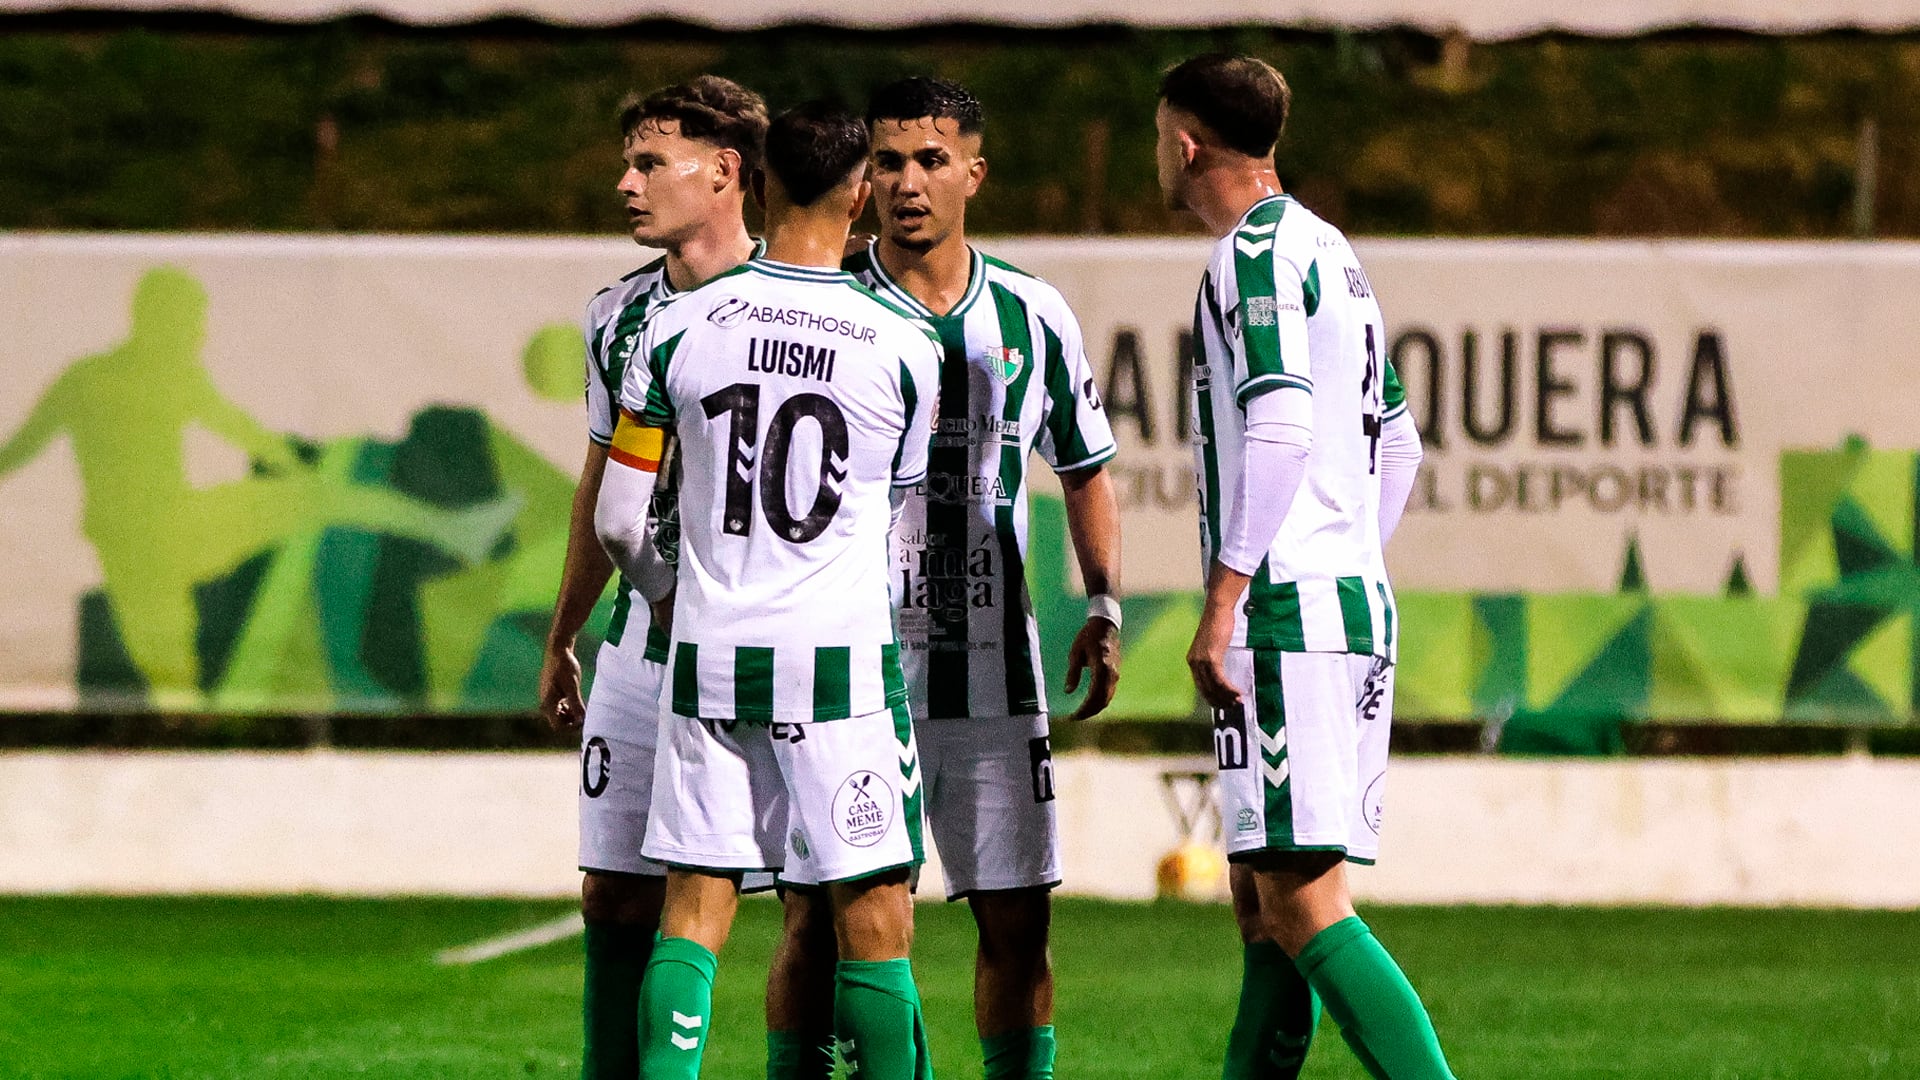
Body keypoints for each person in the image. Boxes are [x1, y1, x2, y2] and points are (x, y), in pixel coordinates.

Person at [766, 76, 1124, 1080]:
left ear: (975, 171)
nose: (908, 183)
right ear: (862, 177)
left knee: (1017, 924)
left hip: (991, 671)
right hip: (847, 666)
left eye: (931, 160)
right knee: (814, 920)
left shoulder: (1031, 311)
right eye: (887, 162)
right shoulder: (824, 307)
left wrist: (1102, 601)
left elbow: (1088, 468)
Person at [594, 100, 943, 1080]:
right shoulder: (906, 343)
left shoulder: (674, 326)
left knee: (693, 915)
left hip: (709, 656)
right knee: (873, 919)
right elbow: (904, 536)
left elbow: (619, 521)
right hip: (838, 661)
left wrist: (670, 598)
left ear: (756, 181)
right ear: (863, 191)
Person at [1155, 53, 1450, 1079]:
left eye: (1163, 137)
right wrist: (1347, 554)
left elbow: (1279, 422)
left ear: (1186, 145)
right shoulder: (1333, 251)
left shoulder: (1250, 258)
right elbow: (1399, 443)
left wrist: (1229, 596)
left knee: (1303, 901)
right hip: (1343, 600)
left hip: (1285, 614)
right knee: (1263, 903)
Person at [534, 75, 766, 1080]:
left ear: (724, 174)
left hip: (768, 643)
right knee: (614, 892)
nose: (625, 183)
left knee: (825, 909)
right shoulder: (617, 316)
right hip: (641, 644)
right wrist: (564, 633)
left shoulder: (808, 304)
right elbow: (601, 486)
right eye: (626, 162)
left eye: (649, 163)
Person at [0, 266, 514, 707]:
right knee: (171, 674)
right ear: (153, 317)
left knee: (319, 499)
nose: (196, 334)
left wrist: (298, 472)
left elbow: (239, 428)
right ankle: (453, 529)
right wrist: (296, 468)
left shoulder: (133, 373)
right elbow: (240, 430)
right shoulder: (114, 376)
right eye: (188, 322)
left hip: (178, 523)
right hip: (139, 544)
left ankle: (455, 530)